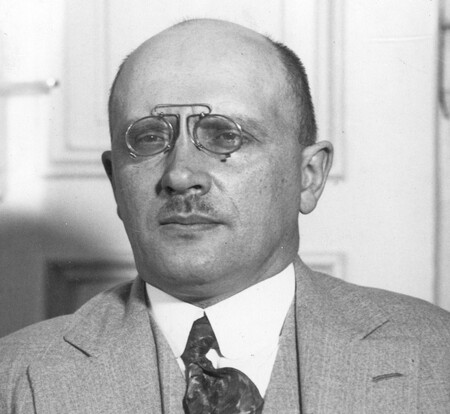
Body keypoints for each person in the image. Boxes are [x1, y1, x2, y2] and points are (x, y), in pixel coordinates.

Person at [1, 18, 449, 414]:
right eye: (150, 138)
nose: (180, 175)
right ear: (115, 180)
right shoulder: (14, 378)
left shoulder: (437, 355)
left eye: (224, 136)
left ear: (309, 176)